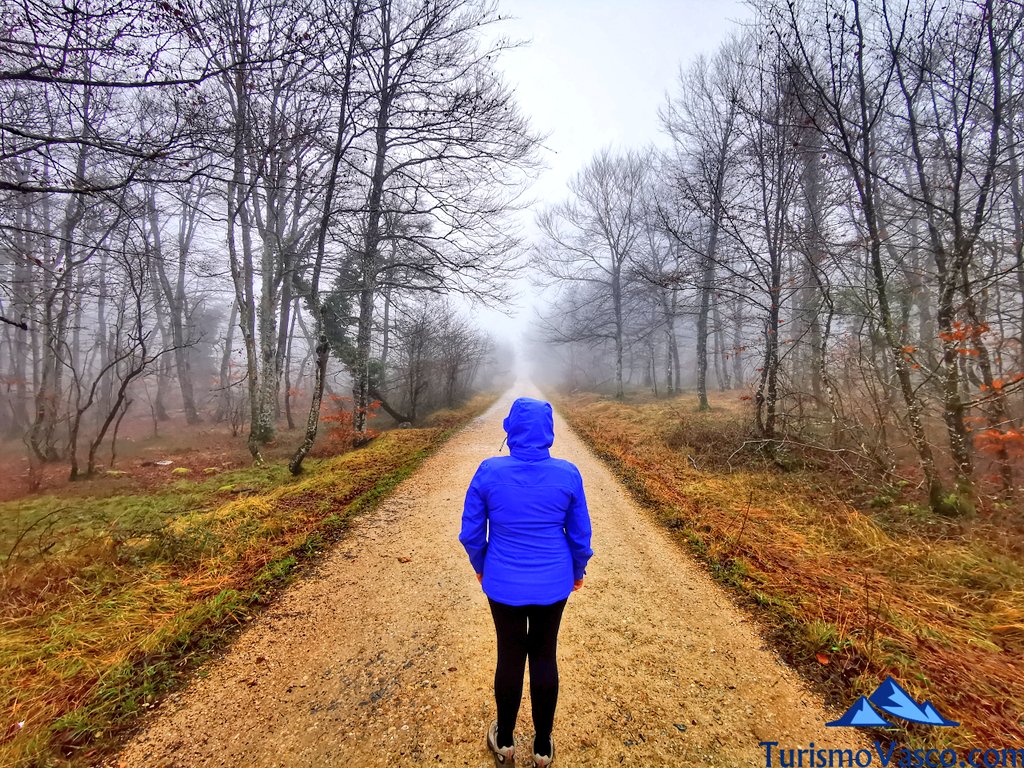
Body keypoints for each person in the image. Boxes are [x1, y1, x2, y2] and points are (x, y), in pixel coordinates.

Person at [459, 397, 593, 768]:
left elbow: (471, 534)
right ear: (549, 432)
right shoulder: (567, 473)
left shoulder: (488, 471)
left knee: (511, 654)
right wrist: (577, 572)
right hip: (553, 582)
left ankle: (504, 741)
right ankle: (543, 747)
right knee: (544, 655)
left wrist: (483, 566)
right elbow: (580, 536)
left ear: (510, 429)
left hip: (503, 583)